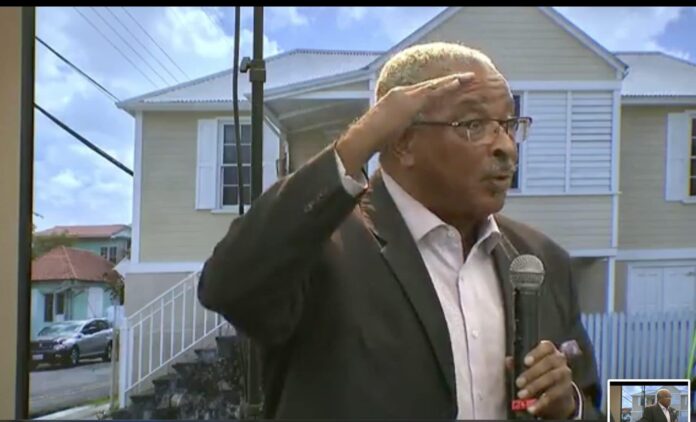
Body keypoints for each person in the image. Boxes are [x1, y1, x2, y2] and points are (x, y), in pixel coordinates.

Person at [197, 42, 602, 420]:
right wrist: (358, 142)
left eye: (509, 125)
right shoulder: (324, 247)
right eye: (474, 124)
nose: (507, 147)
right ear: (402, 140)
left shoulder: (541, 259)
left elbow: (597, 404)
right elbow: (228, 286)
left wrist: (570, 407)